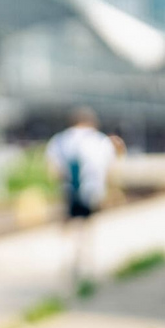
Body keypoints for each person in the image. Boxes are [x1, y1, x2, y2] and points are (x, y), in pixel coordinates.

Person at [45, 106, 121, 283]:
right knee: (88, 226)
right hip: (92, 190)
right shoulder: (100, 140)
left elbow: (53, 168)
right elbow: (110, 169)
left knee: (68, 225)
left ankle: (68, 261)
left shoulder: (59, 140)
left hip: (68, 189)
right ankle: (86, 263)